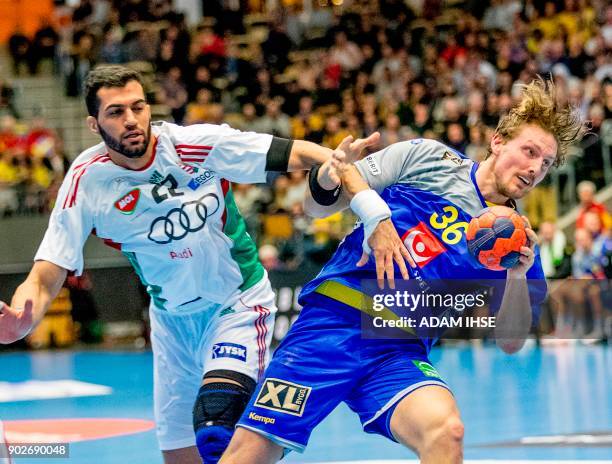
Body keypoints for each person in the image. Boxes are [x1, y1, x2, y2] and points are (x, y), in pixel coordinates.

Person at [219, 79, 586, 464]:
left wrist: (514, 277)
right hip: (335, 320)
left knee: (446, 431)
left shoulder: (519, 245)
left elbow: (511, 343)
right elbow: (318, 206)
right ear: (497, 141)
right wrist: (353, 197)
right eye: (529, 151)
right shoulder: (428, 159)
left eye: (545, 163)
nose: (534, 168)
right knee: (250, 454)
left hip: (398, 348)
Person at [0, 64, 351, 464]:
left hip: (235, 305)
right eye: (116, 112)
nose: (131, 120)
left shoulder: (195, 144)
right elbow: (46, 273)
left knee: (217, 424)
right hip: (171, 326)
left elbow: (292, 152)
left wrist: (338, 162)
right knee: (181, 457)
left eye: (138, 107)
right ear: (94, 125)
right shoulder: (86, 180)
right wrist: (24, 317)